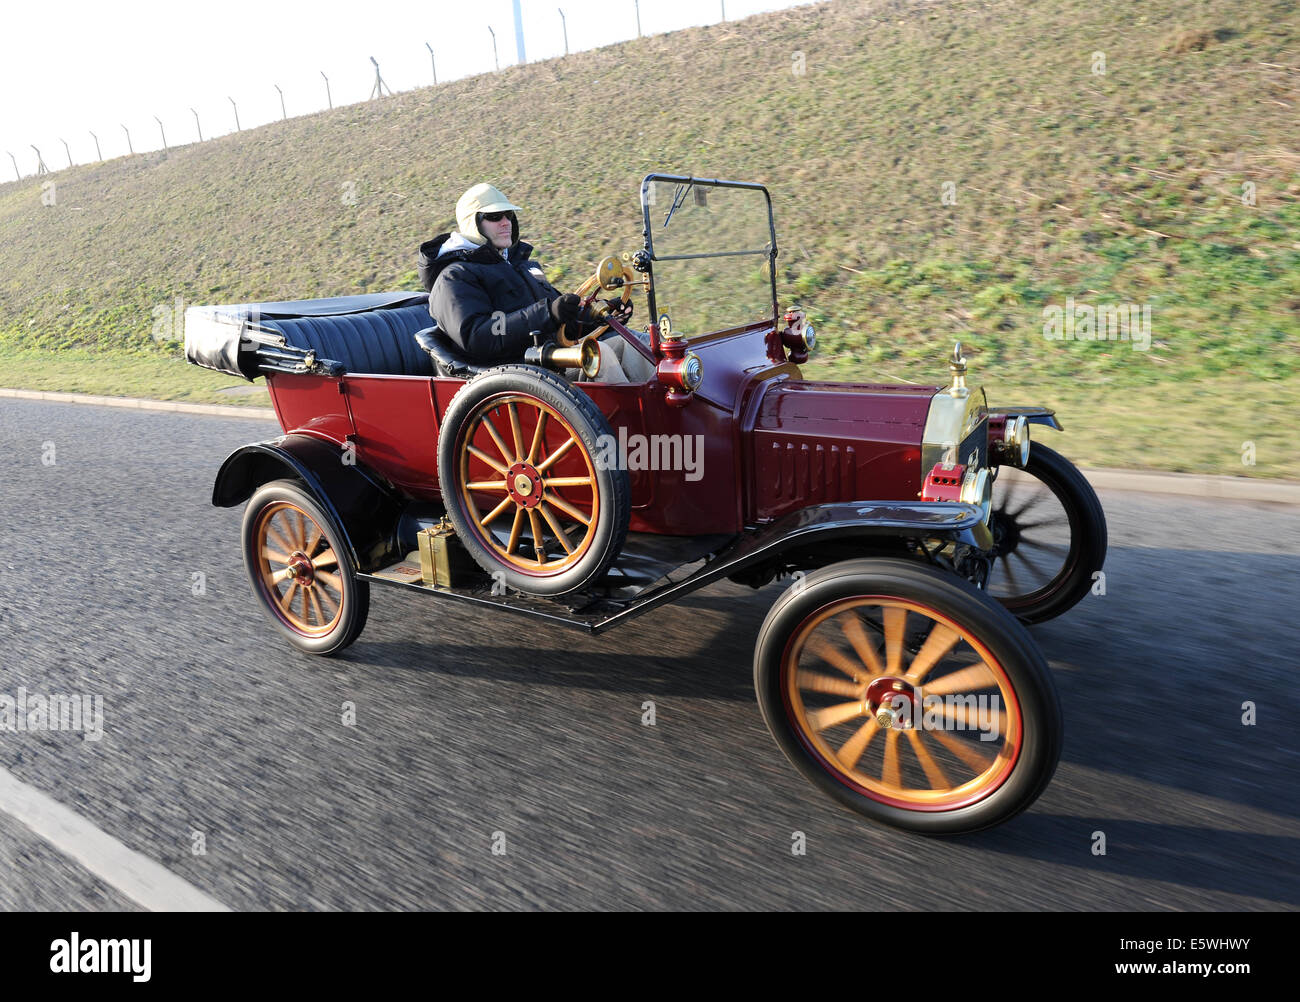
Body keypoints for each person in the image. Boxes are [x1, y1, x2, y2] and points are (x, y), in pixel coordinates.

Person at [418, 183, 651, 383]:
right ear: (472, 223)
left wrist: (597, 316)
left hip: (551, 359)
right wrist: (547, 313)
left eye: (508, 215)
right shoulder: (454, 277)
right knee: (601, 356)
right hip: (516, 375)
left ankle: (666, 422)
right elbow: (479, 335)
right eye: (494, 217)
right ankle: (624, 432)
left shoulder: (521, 266)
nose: (505, 222)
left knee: (634, 343)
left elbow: (562, 326)